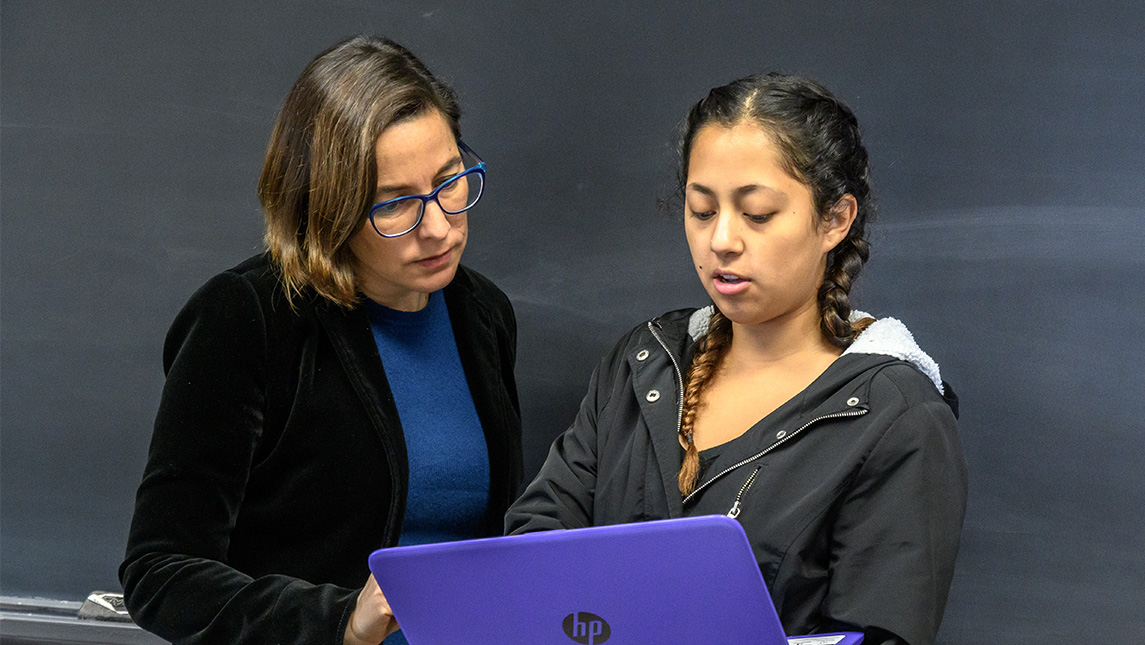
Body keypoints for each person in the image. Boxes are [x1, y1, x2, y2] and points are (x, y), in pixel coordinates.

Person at [505, 73, 968, 645]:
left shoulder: (898, 418)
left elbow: (878, 634)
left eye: (758, 214)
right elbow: (536, 543)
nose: (721, 240)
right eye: (702, 211)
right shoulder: (642, 363)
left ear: (836, 220)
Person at [120, 36, 522, 645]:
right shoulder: (247, 319)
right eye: (395, 205)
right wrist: (337, 623)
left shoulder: (482, 314)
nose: (439, 226)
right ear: (328, 210)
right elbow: (160, 574)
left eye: (450, 181)